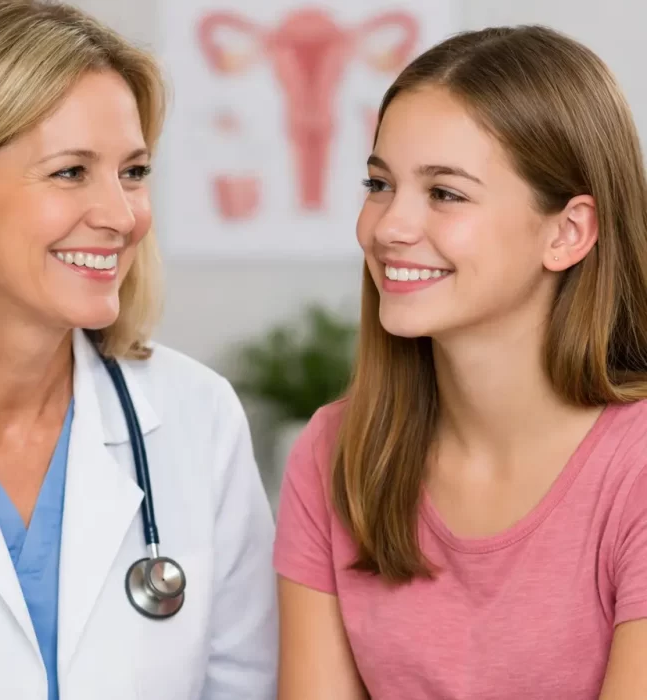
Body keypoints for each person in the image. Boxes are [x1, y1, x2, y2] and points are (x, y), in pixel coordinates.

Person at [0, 1, 278, 698]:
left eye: (132, 172)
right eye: (71, 172)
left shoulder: (197, 416)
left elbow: (246, 686)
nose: (121, 215)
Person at [273, 24, 647, 700]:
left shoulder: (636, 470)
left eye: (444, 193)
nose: (388, 227)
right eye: (379, 183)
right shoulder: (333, 453)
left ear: (567, 232)